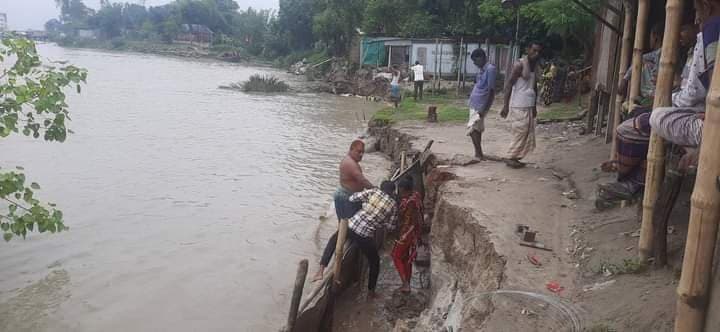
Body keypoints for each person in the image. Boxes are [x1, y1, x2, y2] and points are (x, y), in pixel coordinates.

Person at [650, 0, 720, 168]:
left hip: (714, 120)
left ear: (708, 6)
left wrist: (712, 117)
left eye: (697, 11)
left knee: (657, 116)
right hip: (708, 109)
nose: (697, 19)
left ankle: (706, 149)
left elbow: (707, 93)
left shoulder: (713, 28)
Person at [312, 140, 374, 282]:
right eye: (358, 151)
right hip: (346, 199)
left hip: (351, 198)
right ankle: (322, 268)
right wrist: (376, 190)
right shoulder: (350, 164)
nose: (361, 154)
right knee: (343, 231)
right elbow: (362, 180)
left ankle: (334, 261)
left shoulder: (351, 161)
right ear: (351, 149)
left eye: (363, 152)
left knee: (348, 231)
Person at [346, 181, 398, 299]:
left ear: (381, 188)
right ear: (392, 192)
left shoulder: (374, 191)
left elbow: (352, 198)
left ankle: (322, 268)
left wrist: (365, 205)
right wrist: (380, 220)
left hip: (350, 225)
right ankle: (371, 292)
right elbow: (391, 227)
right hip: (364, 235)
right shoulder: (393, 204)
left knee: (336, 241)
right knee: (375, 262)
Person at [500, 42, 543, 168]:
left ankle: (516, 157)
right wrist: (505, 106)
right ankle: (511, 156)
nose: (536, 54)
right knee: (520, 130)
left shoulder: (534, 66)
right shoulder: (519, 65)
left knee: (527, 131)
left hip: (528, 104)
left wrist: (534, 107)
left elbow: (533, 86)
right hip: (518, 104)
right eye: (534, 51)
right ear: (528, 49)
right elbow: (508, 85)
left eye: (538, 52)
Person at [391, 177, 423, 293]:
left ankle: (405, 284)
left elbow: (414, 222)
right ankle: (407, 282)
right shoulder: (415, 196)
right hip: (410, 233)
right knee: (405, 258)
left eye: (401, 191)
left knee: (395, 256)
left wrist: (405, 235)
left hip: (407, 234)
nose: (400, 194)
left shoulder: (411, 203)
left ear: (405, 190)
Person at [466, 48, 497, 160]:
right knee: (476, 128)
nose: (474, 63)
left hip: (481, 104)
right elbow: (478, 85)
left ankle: (479, 153)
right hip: (475, 102)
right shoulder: (481, 70)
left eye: (475, 60)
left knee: (473, 128)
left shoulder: (490, 69)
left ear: (481, 58)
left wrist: (485, 108)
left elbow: (491, 90)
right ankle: (478, 153)